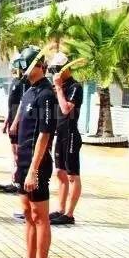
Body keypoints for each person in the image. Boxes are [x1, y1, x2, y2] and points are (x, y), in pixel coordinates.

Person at [13, 46, 57, 258]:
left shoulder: (46, 95)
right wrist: (19, 165)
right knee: (27, 213)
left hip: (37, 164)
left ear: (39, 66)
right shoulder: (29, 91)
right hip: (23, 161)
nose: (22, 69)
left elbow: (44, 134)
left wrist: (33, 170)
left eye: (25, 64)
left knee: (40, 215)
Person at [48, 52, 83, 226]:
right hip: (59, 134)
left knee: (72, 175)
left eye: (57, 70)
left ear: (65, 69)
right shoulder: (57, 87)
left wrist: (59, 89)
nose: (55, 74)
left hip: (70, 134)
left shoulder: (75, 87)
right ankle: (60, 209)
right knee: (60, 172)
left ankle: (69, 214)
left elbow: (65, 109)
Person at [3, 54, 30, 188]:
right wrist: (7, 120)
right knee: (14, 151)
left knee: (19, 152)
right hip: (12, 119)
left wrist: (15, 123)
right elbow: (11, 104)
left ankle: (19, 179)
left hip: (18, 122)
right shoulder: (14, 81)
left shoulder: (24, 83)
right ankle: (15, 178)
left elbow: (22, 104)